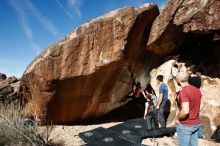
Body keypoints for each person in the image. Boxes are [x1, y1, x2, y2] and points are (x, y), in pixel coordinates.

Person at [176, 71, 202, 146]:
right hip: (196, 123)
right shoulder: (197, 90)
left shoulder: (183, 91)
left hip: (186, 125)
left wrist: (177, 118)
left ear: (178, 80)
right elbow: (202, 104)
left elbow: (185, 111)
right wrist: (194, 112)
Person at [187, 66, 204, 139]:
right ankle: (200, 134)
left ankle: (194, 133)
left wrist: (188, 74)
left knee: (191, 115)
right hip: (197, 95)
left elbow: (187, 82)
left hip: (192, 95)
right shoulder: (198, 79)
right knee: (196, 116)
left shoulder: (192, 79)